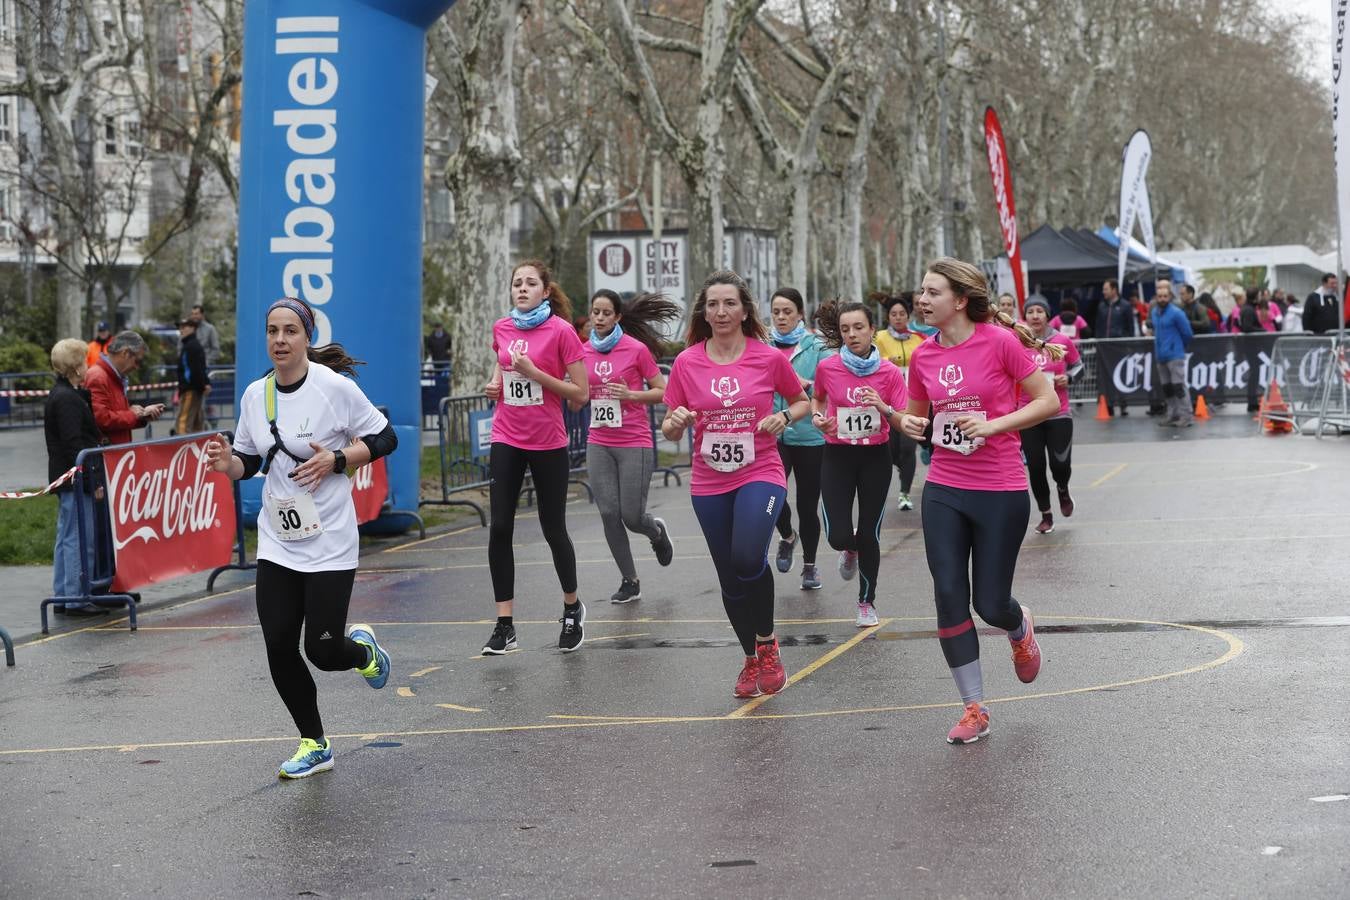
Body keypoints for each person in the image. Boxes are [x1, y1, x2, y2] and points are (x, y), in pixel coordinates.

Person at [203, 296, 398, 779]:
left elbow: (385, 437)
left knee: (324, 652)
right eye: (272, 331)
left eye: (290, 331)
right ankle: (315, 742)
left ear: (306, 337)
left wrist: (337, 459)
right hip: (278, 539)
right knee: (278, 644)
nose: (280, 340)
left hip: (330, 539)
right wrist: (225, 463)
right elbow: (248, 461)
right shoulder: (255, 396)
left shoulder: (334, 388)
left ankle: (362, 652)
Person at [898, 257, 1058, 744]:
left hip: (1001, 487)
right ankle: (974, 708)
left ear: (960, 300)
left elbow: (1046, 400)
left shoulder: (1000, 342)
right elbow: (916, 416)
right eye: (921, 291)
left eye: (932, 292)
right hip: (945, 485)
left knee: (990, 603)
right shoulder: (924, 357)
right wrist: (907, 425)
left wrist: (991, 425)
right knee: (948, 594)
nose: (921, 300)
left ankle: (1018, 624)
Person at [662, 270, 809, 699]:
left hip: (760, 470)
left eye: (729, 303)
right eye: (713, 304)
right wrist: (675, 421)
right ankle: (750, 657)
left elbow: (802, 401)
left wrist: (784, 416)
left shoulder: (768, 357)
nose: (721, 311)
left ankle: (767, 643)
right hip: (709, 481)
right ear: (703, 312)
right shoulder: (688, 362)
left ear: (745, 310)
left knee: (747, 557)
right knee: (729, 577)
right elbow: (671, 428)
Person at [481, 260, 589, 655]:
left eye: (530, 284)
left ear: (546, 291)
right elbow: (501, 366)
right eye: (516, 284)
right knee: (499, 528)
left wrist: (536, 373)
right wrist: (495, 384)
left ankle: (572, 607)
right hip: (507, 435)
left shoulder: (561, 332)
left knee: (552, 527)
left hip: (547, 441)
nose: (522, 289)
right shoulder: (502, 327)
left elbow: (580, 394)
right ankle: (504, 625)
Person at [574, 290, 678, 604]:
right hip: (600, 440)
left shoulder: (636, 350)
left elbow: (664, 391)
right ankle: (629, 580)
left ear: (618, 316)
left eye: (607, 313)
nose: (600, 318)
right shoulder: (582, 352)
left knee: (632, 516)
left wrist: (631, 396)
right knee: (608, 512)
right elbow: (576, 393)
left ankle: (656, 532)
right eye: (596, 312)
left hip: (634, 440)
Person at [810, 300, 908, 628]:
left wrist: (883, 406)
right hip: (837, 455)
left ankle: (866, 601)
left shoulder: (890, 373)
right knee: (838, 535)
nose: (852, 335)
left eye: (859, 328)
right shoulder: (828, 368)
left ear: (872, 330)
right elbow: (818, 399)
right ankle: (848, 549)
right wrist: (818, 418)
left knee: (870, 533)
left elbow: (903, 419)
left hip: (875, 458)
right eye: (845, 329)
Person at [768, 287, 830, 590]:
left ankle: (810, 566)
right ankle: (787, 536)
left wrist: (808, 384)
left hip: (809, 435)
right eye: (776, 312)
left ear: (800, 315)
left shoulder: (816, 345)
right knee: (773, 496)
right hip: (773, 433)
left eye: (787, 312)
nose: (781, 317)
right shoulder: (763, 345)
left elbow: (831, 380)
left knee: (808, 505)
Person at [44, 338, 108, 617]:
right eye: (83, 360)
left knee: (66, 535)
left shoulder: (64, 394)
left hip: (64, 476)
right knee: (79, 538)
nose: (87, 364)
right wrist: (93, 482)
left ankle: (63, 594)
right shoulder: (67, 399)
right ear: (74, 365)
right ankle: (75, 597)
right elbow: (75, 444)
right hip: (75, 478)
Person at [1019, 297, 1083, 534]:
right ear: (1025, 316)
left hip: (1058, 412)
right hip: (1029, 413)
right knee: (1035, 467)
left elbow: (1079, 366)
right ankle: (1046, 515)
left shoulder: (1061, 340)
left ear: (1047, 315)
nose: (1035, 316)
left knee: (1060, 464)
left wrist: (1069, 378)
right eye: (1031, 312)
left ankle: (1063, 489)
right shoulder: (1018, 342)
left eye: (1039, 311)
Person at [872, 292, 925, 510]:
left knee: (907, 447)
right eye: (893, 314)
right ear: (888, 317)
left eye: (902, 314)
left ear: (908, 315)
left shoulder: (918, 339)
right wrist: (886, 361)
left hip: (912, 401)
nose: (898, 318)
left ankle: (904, 493)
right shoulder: (880, 338)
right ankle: (902, 468)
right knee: (893, 451)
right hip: (887, 402)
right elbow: (870, 360)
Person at [84, 330, 166, 445]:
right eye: (137, 361)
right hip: (107, 454)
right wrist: (133, 414)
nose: (137, 367)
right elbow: (102, 419)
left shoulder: (113, 376)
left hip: (115, 452)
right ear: (125, 353)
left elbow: (115, 417)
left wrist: (142, 416)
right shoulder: (98, 376)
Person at [1150, 279, 1196, 427]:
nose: (1162, 299)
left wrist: (1178, 347)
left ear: (1169, 297)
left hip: (1174, 355)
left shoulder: (1177, 313)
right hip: (1160, 355)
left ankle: (1187, 416)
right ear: (1156, 297)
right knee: (1167, 388)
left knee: (1178, 387)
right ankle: (1173, 414)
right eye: (1159, 296)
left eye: (1165, 296)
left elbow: (1187, 333)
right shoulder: (1154, 313)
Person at [1095, 279, 1136, 416]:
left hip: (1119, 347)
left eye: (1106, 289)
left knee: (1121, 375)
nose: (1103, 292)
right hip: (1104, 348)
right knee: (1106, 377)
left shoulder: (1125, 306)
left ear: (1114, 289)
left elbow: (1130, 327)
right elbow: (1098, 326)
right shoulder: (1101, 306)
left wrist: (1128, 344)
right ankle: (1108, 404)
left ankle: (1123, 404)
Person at [175, 318, 210, 435]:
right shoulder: (193, 345)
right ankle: (197, 450)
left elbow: (195, 370)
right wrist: (205, 384)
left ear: (193, 328)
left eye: (185, 327)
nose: (181, 329)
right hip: (195, 389)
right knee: (196, 423)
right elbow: (200, 367)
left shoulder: (191, 346)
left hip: (190, 389)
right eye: (180, 327)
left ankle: (181, 446)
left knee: (183, 422)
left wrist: (202, 384)